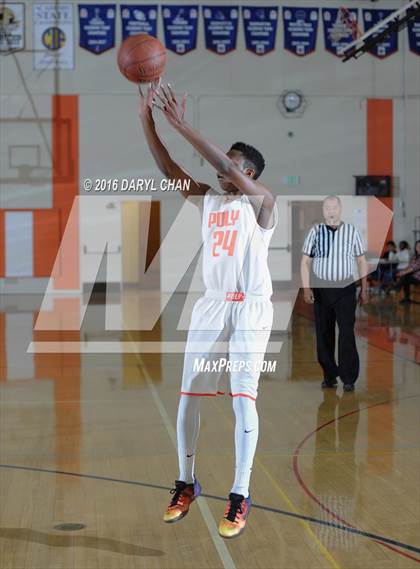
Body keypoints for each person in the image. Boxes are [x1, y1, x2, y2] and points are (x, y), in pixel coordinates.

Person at [138, 82, 277, 538]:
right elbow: (168, 166)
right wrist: (148, 122)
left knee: (243, 401)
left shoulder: (263, 204)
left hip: (250, 311)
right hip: (211, 307)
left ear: (248, 171)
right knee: (187, 400)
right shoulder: (208, 199)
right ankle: (186, 483)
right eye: (224, 165)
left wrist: (180, 122)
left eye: (233, 165)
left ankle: (240, 494)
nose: (221, 170)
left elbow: (217, 160)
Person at [300, 196, 368, 392]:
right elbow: (305, 262)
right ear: (323, 210)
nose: (331, 210)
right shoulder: (315, 232)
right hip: (322, 289)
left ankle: (349, 378)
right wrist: (306, 288)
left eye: (334, 207)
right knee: (324, 333)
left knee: (346, 333)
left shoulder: (352, 231)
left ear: (340, 209)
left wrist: (364, 287)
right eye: (327, 207)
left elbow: (361, 261)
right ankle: (329, 375)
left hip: (345, 289)